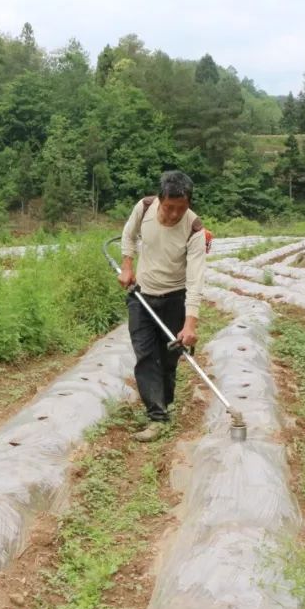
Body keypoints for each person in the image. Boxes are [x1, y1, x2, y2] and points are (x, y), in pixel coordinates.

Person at [118, 170, 206, 442]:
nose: (174, 215)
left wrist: (190, 323)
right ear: (160, 200)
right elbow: (128, 235)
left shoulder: (194, 229)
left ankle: (164, 401)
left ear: (189, 203)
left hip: (175, 299)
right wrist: (127, 265)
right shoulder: (143, 208)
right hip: (142, 297)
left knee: (168, 360)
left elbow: (196, 279)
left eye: (181, 208)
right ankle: (157, 416)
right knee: (145, 355)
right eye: (169, 208)